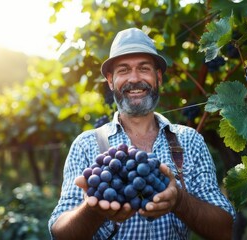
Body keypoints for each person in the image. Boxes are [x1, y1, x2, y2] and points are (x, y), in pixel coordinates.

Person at [48, 27, 236, 240]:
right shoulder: (86, 144)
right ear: (110, 81)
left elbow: (224, 230)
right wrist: (92, 210)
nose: (134, 78)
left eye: (144, 68)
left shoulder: (189, 140)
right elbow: (59, 232)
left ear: (158, 77)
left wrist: (179, 201)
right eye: (124, 70)